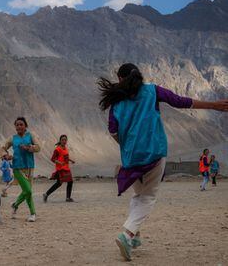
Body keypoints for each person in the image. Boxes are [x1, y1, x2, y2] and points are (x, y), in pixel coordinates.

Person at [98, 63, 228, 261]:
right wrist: (212, 105)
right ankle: (128, 235)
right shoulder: (152, 91)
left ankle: (135, 237)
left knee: (139, 196)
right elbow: (180, 101)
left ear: (121, 79)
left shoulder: (116, 102)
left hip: (131, 158)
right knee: (148, 197)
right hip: (154, 153)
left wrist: (126, 144)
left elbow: (113, 130)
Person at [1, 117, 40, 222]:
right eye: (17, 125)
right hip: (17, 167)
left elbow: (38, 147)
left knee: (27, 191)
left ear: (25, 126)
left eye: (21, 124)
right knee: (28, 191)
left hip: (29, 167)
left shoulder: (30, 136)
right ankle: (33, 213)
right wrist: (6, 155)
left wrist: (28, 148)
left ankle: (15, 205)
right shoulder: (12, 138)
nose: (19, 126)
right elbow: (3, 148)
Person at [43, 135, 75, 203]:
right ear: (60, 141)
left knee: (69, 182)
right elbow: (53, 159)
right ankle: (46, 194)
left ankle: (68, 198)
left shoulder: (65, 148)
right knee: (60, 183)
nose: (64, 141)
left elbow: (65, 157)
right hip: (61, 169)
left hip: (66, 168)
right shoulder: (57, 149)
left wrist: (71, 160)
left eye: (65, 140)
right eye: (62, 140)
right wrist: (60, 163)